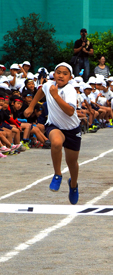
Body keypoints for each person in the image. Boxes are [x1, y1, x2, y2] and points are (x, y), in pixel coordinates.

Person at [24, 63, 81, 204]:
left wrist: (56, 96)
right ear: (54, 74)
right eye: (58, 72)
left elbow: (70, 111)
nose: (61, 75)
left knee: (72, 162)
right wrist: (31, 106)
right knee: (55, 142)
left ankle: (73, 185)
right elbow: (41, 91)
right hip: (54, 125)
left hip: (72, 129)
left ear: (70, 77)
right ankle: (57, 174)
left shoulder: (70, 90)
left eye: (65, 73)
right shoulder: (48, 85)